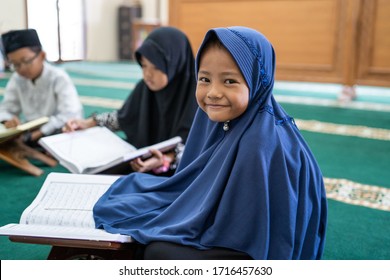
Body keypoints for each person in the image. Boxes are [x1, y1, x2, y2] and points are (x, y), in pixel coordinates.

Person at [93, 26, 328, 260]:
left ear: (257, 81)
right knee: (147, 223)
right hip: (237, 227)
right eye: (204, 79)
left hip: (256, 247)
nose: (213, 92)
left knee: (157, 249)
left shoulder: (260, 143)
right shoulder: (223, 119)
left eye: (229, 81)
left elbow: (249, 231)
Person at [64, 26, 198, 175]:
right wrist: (87, 123)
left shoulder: (197, 95)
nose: (147, 74)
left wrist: (167, 159)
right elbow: (124, 118)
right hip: (142, 161)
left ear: (175, 63)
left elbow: (199, 145)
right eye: (144, 66)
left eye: (156, 67)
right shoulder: (145, 88)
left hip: (181, 171)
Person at [0, 29, 83, 145]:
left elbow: (71, 114)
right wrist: (7, 120)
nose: (22, 68)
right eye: (15, 64)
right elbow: (6, 109)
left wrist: (39, 133)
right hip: (29, 131)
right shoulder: (16, 79)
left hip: (58, 130)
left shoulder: (58, 77)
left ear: (42, 56)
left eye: (26, 61)